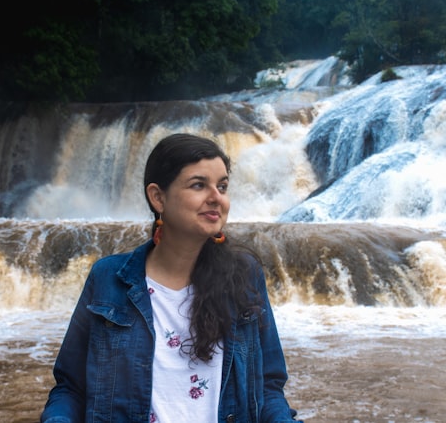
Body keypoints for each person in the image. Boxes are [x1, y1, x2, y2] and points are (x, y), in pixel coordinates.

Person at [41, 133, 300, 423]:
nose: (217, 198)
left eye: (223, 186)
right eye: (199, 185)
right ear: (158, 197)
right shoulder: (108, 278)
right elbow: (71, 389)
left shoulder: (244, 274)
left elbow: (268, 386)